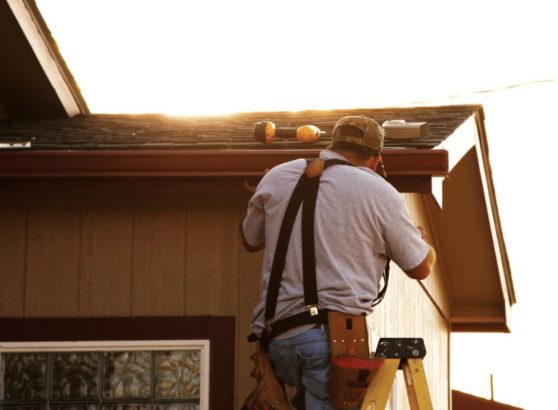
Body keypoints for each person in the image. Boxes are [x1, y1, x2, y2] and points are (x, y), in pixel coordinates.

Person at [241, 115, 436, 409]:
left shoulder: (277, 176)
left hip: (275, 340)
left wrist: (262, 195)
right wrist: (424, 243)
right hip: (331, 340)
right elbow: (419, 267)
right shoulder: (379, 191)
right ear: (375, 158)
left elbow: (249, 238)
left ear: (331, 146)